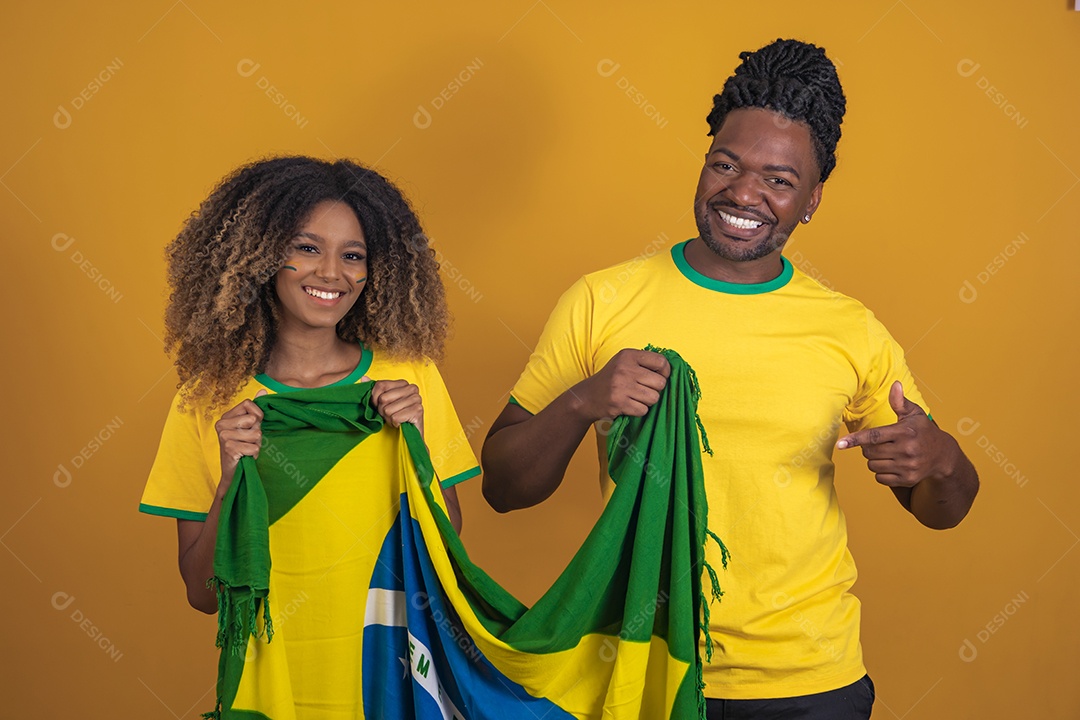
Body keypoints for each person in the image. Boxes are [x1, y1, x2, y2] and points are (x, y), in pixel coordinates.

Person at [480, 38, 978, 719]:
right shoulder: (603, 300)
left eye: (779, 180)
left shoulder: (850, 329)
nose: (743, 193)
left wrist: (941, 459)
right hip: (645, 662)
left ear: (811, 200)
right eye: (726, 164)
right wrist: (582, 401)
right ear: (705, 162)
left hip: (809, 681)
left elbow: (940, 508)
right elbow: (503, 488)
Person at [139, 156, 479, 717]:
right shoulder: (206, 400)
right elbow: (202, 595)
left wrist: (415, 444)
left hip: (391, 676)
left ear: (377, 272)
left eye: (353, 256)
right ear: (259, 256)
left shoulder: (409, 379)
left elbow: (445, 550)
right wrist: (229, 482)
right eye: (306, 248)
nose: (331, 273)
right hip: (272, 687)